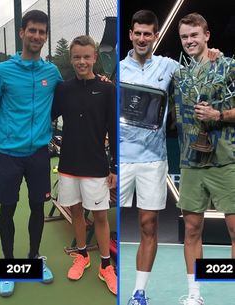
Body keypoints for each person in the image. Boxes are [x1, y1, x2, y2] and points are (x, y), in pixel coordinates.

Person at [0, 10, 62, 297]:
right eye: (32, 30)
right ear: (22, 32)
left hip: (39, 155)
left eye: (42, 32)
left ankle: (34, 258)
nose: (37, 36)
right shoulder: (3, 71)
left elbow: (71, 95)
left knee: (37, 207)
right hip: (7, 154)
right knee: (8, 209)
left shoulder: (52, 72)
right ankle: (9, 265)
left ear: (46, 36)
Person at [174, 13, 235, 305]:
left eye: (194, 35)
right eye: (184, 37)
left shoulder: (228, 65)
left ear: (207, 35)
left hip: (226, 159)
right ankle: (195, 295)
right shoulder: (179, 74)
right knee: (191, 229)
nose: (189, 41)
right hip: (190, 162)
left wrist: (218, 115)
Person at [120, 10, 179, 305]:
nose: (142, 38)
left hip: (154, 160)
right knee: (108, 220)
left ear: (156, 36)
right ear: (130, 34)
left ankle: (138, 293)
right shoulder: (118, 70)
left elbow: (200, 73)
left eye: (148, 33)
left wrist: (213, 52)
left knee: (148, 225)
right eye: (138, 33)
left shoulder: (169, 67)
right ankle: (109, 273)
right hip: (121, 160)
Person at [51, 35, 117, 295]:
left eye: (86, 57)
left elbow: (112, 127)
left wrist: (113, 167)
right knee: (77, 214)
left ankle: (105, 266)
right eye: (77, 57)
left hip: (96, 165)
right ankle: (82, 256)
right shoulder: (63, 89)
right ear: (71, 59)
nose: (82, 61)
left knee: (100, 216)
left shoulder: (107, 89)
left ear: (94, 58)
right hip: (68, 164)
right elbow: (49, 113)